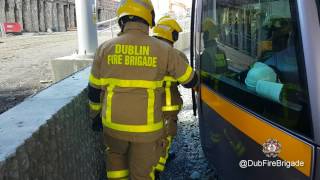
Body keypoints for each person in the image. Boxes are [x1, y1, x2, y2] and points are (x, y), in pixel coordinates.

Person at [87, 0, 198, 179]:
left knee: (116, 164)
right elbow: (190, 80)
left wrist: (95, 116)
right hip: (147, 131)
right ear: (148, 19)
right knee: (143, 174)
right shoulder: (164, 50)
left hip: (112, 127)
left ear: (121, 20)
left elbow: (93, 91)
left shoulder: (104, 49)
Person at [152, 16, 186, 173]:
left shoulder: (146, 51)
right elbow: (187, 80)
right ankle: (157, 170)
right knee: (166, 137)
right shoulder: (177, 55)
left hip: (147, 105)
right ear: (171, 35)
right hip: (168, 106)